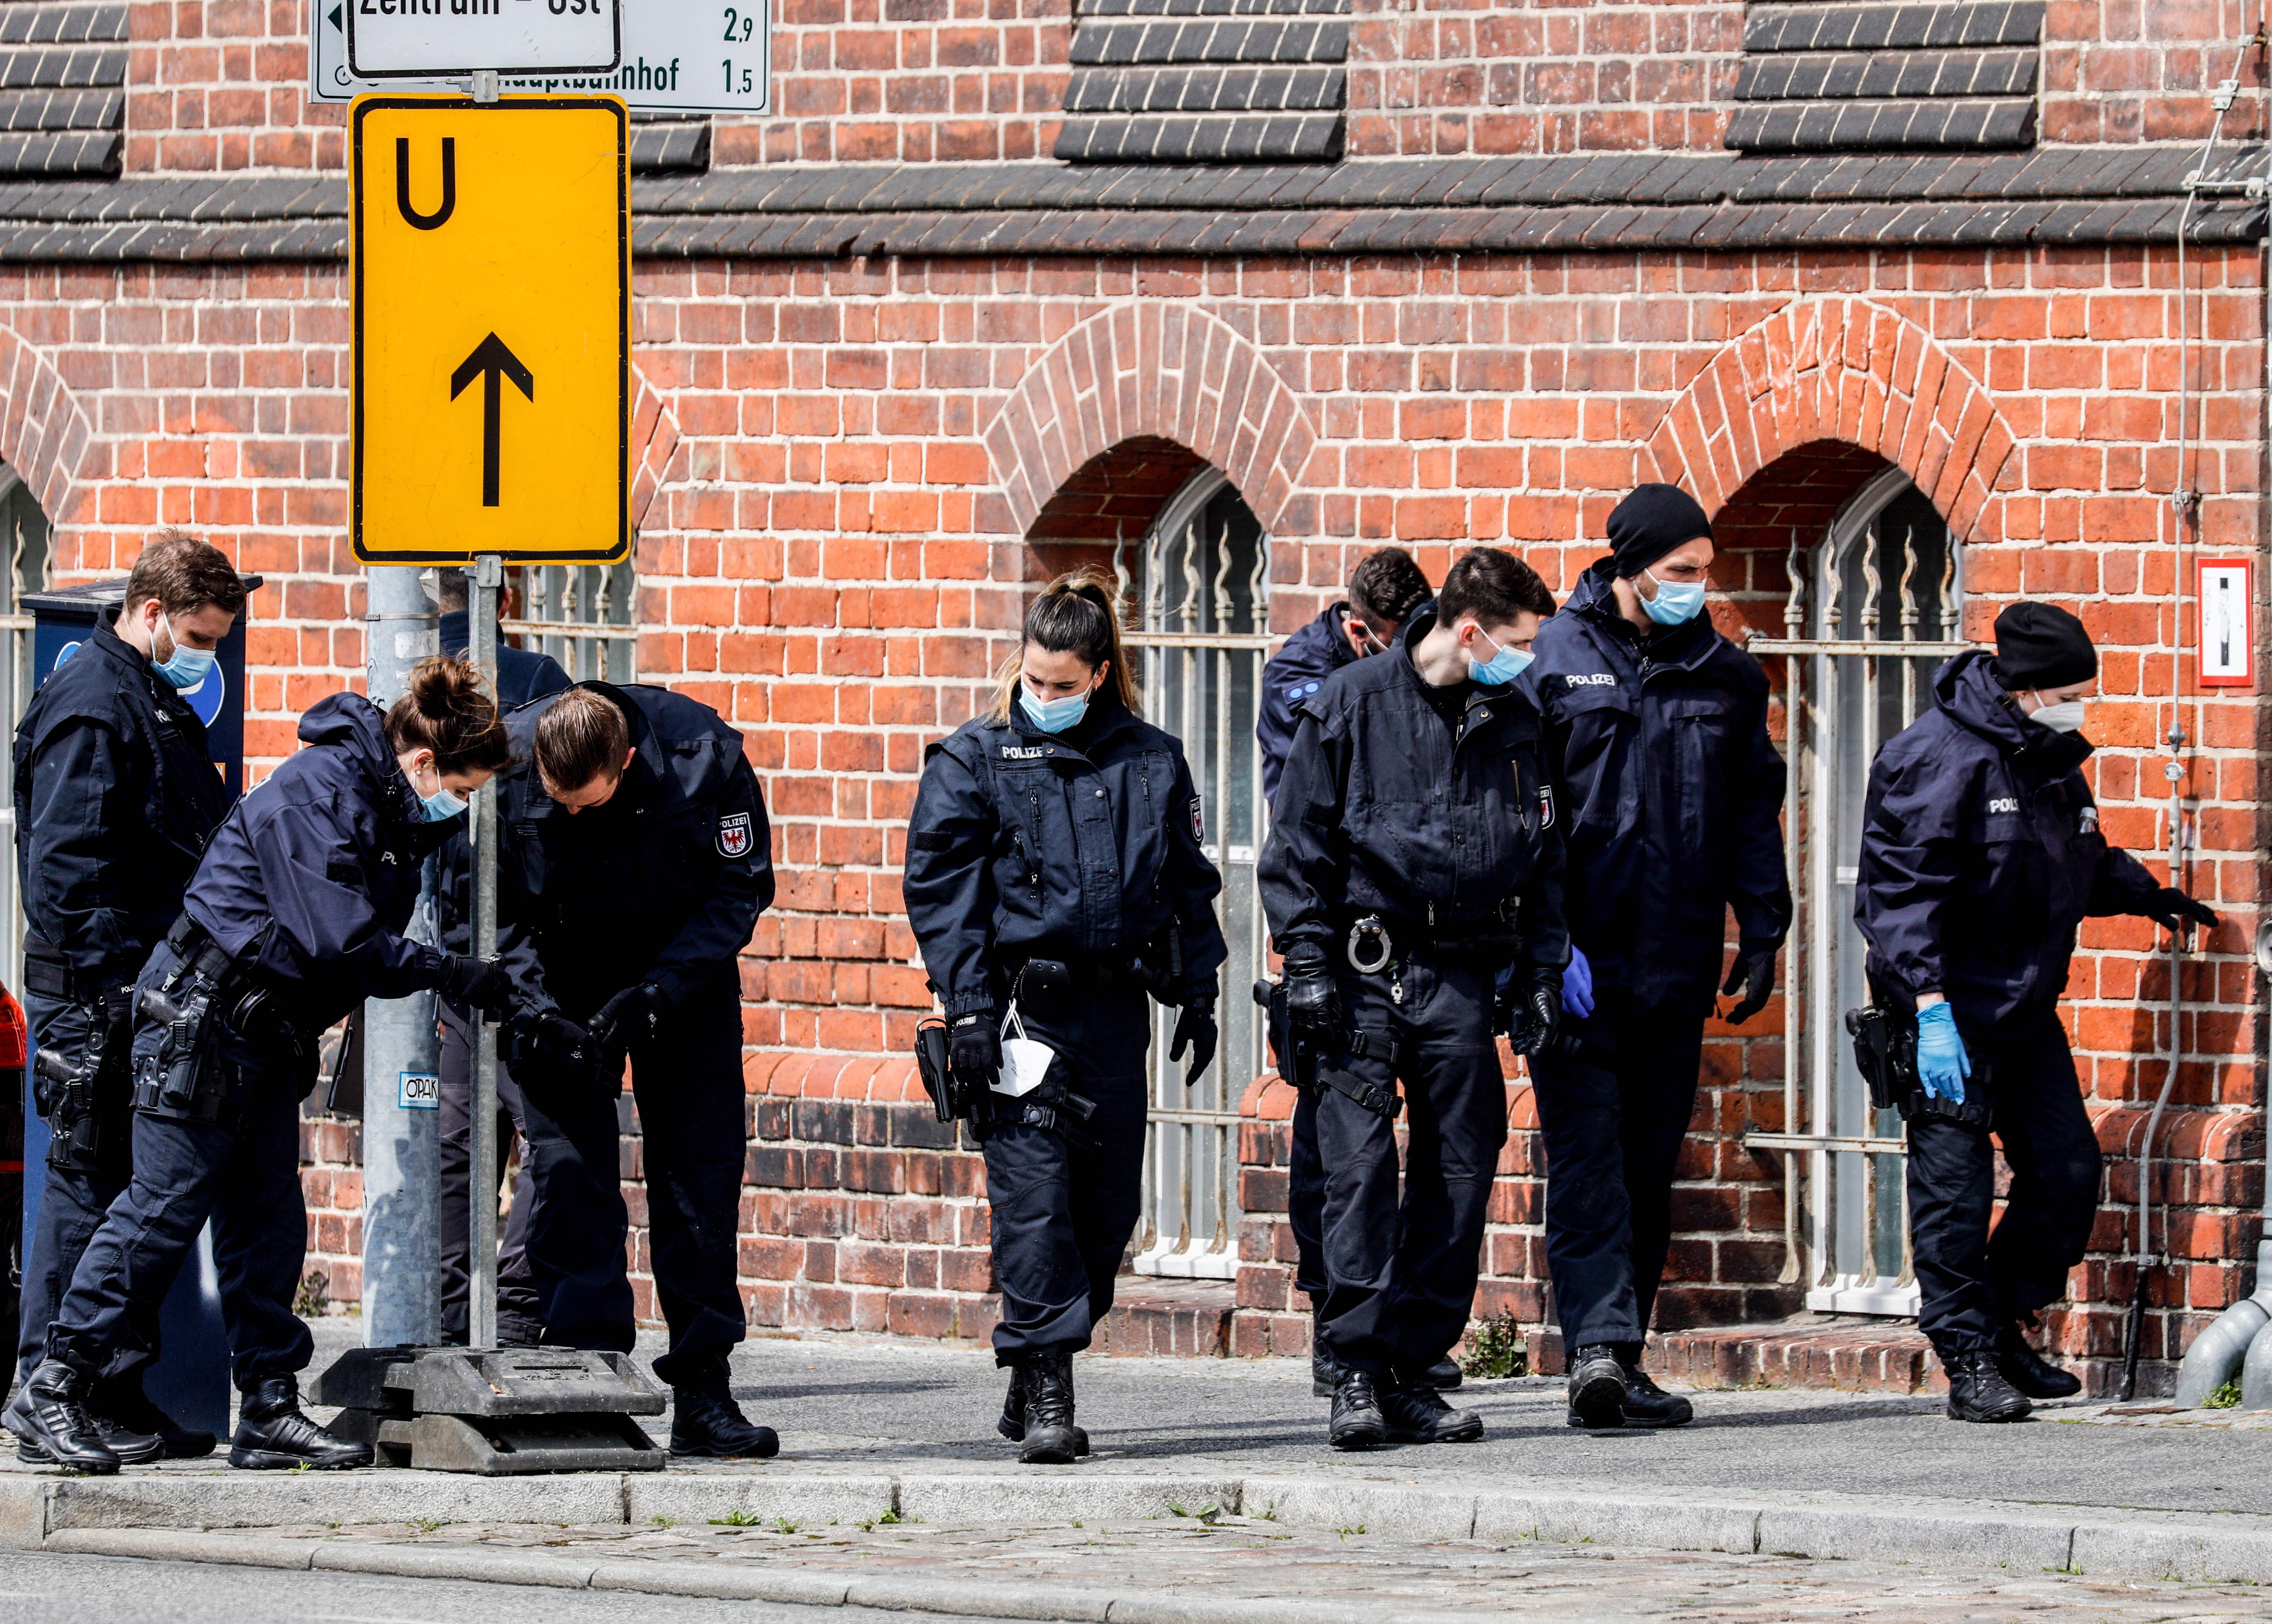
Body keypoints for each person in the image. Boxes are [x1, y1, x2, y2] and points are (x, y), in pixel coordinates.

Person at [5, 658, 520, 1474]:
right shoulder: (324, 794)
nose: (461, 805)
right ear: (423, 763)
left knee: (268, 1225)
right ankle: (55, 1386)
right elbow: (339, 938)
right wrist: (448, 970)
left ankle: (269, 1406)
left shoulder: (379, 803)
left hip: (263, 1035)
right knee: (159, 1211)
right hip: (204, 1026)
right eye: (463, 786)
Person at [1855, 602, 2216, 1422]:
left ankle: (2003, 1315)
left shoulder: (2045, 758)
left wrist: (2145, 893)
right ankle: (1966, 1357)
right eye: (2072, 691)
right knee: (1953, 1188)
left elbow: (2075, 853)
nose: (2081, 705)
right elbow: (1897, 894)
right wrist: (1930, 1003)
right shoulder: (1936, 760)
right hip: (1942, 1007)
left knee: (2065, 1170)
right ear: (2026, 688)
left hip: (2021, 1005)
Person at [904, 571, 1226, 1464]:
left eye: (1061, 682)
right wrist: (965, 1004)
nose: (1043, 696)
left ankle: (1038, 1355)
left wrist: (1198, 987)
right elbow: (942, 891)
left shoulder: (1152, 757)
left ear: (1098, 672)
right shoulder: (974, 758)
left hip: (1114, 1009)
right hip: (1018, 1014)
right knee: (1035, 1204)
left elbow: (1186, 881)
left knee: (1106, 1214)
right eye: (1033, 678)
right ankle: (1049, 1389)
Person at [1259, 547, 1566, 1451]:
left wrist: (1541, 971)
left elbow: (1550, 858)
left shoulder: (1513, 717)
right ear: (1469, 630)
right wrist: (1307, 962)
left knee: (1462, 1171)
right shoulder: (1351, 703)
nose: (1526, 660)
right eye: (1515, 642)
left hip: (1461, 971)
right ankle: (1352, 1366)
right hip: (1359, 969)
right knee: (1358, 1174)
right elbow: (1299, 844)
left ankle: (1410, 1366)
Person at [1522, 483, 1790, 1432]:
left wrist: (1764, 925)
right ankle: (1592, 1347)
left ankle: (1622, 1355)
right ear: (1631, 565)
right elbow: (1519, 811)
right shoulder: (1552, 660)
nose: (1697, 588)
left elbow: (1753, 810)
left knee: (1645, 1161)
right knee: (1588, 1157)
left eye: (1705, 572)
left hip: (1672, 958)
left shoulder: (1724, 673)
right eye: (1681, 572)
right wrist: (1542, 943)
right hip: (1578, 966)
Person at [489, 679, 778, 1458]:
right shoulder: (508, 763)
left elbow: (740, 887)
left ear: (622, 761)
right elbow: (482, 906)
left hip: (679, 976)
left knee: (700, 1182)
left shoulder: (704, 758)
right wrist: (534, 1004)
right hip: (558, 977)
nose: (574, 814)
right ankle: (590, 1372)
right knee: (569, 1176)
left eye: (588, 799)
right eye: (561, 801)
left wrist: (661, 991)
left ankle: (704, 1392)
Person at [9, 535, 245, 1464]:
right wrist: (115, 990)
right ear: (149, 611)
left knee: (123, 1195)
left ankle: (107, 1389)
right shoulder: (95, 703)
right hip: (97, 996)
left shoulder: (143, 696)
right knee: (82, 1188)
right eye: (196, 633)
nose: (207, 653)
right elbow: (64, 871)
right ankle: (46, 1393)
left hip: (137, 991)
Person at [1251, 547, 1456, 1397]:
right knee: (1330, 1152)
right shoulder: (1304, 677)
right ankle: (1332, 1317)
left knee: (1386, 1155)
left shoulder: (1408, 672)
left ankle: (1390, 1326)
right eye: (1388, 638)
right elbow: (1307, 811)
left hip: (1401, 940)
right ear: (1357, 626)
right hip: (1323, 930)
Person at [431, 565, 571, 1345]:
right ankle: (513, 1305)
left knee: (456, 1145)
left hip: (438, 954)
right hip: (530, 954)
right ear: (506, 598)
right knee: (546, 1136)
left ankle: (456, 1312)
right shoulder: (539, 678)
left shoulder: (404, 680)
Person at [1256, 547, 1432, 804]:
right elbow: (1331, 769)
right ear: (1358, 631)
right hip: (1314, 832)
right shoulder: (1297, 674)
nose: (1408, 654)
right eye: (1397, 643)